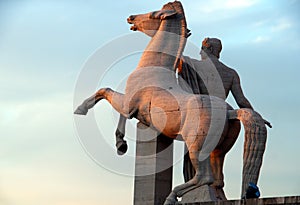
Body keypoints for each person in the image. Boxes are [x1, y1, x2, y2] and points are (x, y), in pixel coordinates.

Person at [178, 37, 271, 200]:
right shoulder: (230, 73)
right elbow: (241, 101)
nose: (199, 52)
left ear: (208, 49)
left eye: (201, 49)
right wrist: (255, 115)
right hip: (226, 120)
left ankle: (197, 192)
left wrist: (180, 38)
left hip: (201, 118)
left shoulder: (193, 64)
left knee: (195, 159)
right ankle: (220, 192)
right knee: (216, 158)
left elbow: (171, 57)